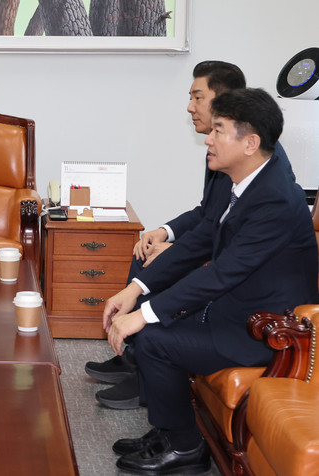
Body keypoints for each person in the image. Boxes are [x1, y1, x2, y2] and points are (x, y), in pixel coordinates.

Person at [103, 88, 318, 475]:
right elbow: (200, 240)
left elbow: (222, 272)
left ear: (250, 143)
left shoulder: (275, 201)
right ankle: (169, 432)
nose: (208, 139)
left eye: (219, 131)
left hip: (263, 329)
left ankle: (185, 447)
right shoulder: (243, 181)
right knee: (151, 319)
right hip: (234, 308)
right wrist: (136, 290)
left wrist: (143, 315)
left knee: (153, 338)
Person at [85, 61, 247, 409]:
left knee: (154, 263)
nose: (189, 107)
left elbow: (220, 235)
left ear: (224, 101)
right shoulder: (219, 150)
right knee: (144, 250)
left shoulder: (242, 160)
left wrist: (174, 249)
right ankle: (133, 357)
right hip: (215, 252)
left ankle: (145, 369)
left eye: (197, 97)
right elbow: (206, 213)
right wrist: (163, 232)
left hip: (228, 275)